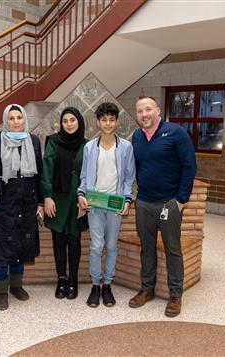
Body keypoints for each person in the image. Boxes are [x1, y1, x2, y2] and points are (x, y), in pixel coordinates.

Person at [129, 95, 196, 317]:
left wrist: (181, 200)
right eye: (140, 111)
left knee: (172, 249)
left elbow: (189, 166)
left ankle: (175, 295)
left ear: (158, 111)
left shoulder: (176, 133)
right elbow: (136, 167)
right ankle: (146, 289)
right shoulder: (137, 136)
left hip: (169, 203)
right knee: (147, 248)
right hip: (144, 203)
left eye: (148, 109)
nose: (144, 114)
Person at [0, 103, 43, 311]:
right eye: (12, 118)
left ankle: (16, 286)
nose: (16, 122)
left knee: (21, 245)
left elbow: (39, 175)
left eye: (19, 118)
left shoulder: (33, 141)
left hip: (26, 203)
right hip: (2, 204)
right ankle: (0, 292)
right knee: (1, 248)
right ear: (6, 120)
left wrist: (40, 202)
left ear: (24, 119)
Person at [78, 102, 135, 308]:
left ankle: (107, 284)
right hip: (94, 204)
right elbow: (84, 176)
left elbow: (129, 177)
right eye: (104, 120)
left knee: (111, 246)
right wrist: (81, 195)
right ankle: (95, 284)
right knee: (96, 246)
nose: (108, 123)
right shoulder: (89, 147)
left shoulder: (126, 147)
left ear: (117, 121)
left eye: (112, 119)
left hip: (115, 204)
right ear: (98, 122)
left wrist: (127, 199)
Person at [40, 107, 88, 300]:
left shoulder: (87, 145)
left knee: (74, 240)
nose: (68, 124)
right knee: (58, 240)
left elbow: (90, 173)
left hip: (78, 198)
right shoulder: (53, 141)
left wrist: (84, 200)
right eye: (65, 121)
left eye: (72, 120)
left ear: (79, 122)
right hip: (57, 198)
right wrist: (47, 197)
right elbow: (47, 169)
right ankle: (61, 278)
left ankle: (73, 280)